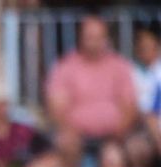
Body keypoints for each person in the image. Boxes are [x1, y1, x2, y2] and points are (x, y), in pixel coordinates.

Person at [45, 15, 138, 145]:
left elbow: (129, 106)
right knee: (65, 143)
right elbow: (57, 109)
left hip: (115, 136)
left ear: (106, 38)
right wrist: (71, 132)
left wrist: (118, 132)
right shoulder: (64, 67)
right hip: (76, 138)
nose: (95, 42)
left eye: (99, 37)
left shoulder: (120, 66)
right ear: (80, 38)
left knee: (136, 147)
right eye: (90, 37)